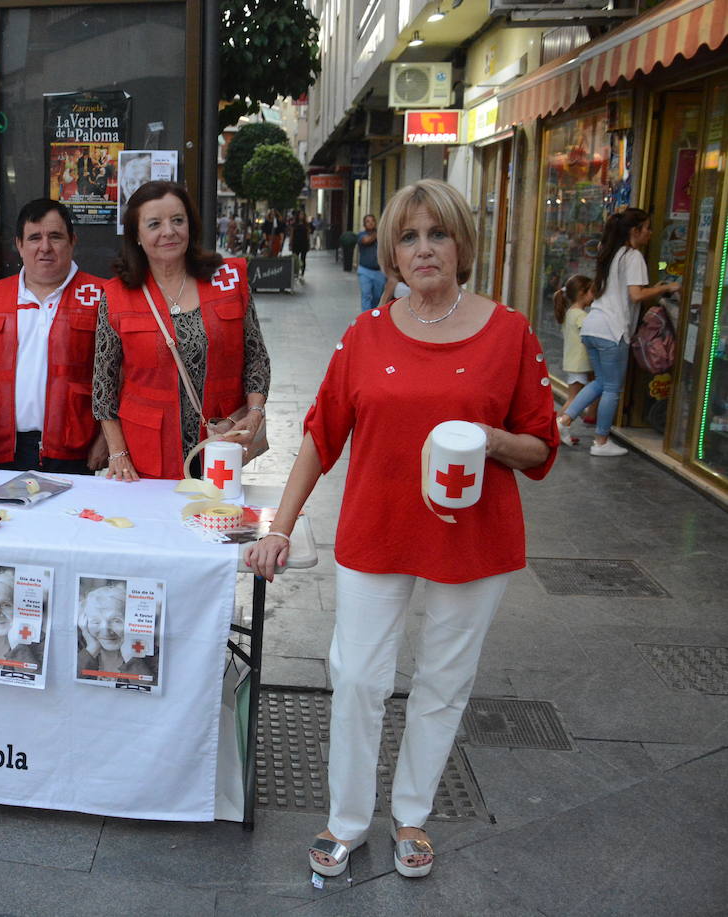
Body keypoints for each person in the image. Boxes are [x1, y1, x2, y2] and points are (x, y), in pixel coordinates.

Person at [244, 179, 558, 881]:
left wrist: (489, 438)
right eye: (409, 237)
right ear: (389, 252)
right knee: (357, 676)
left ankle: (412, 813)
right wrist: (279, 527)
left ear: (462, 245)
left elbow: (540, 444)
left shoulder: (509, 332)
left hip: (472, 538)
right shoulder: (366, 334)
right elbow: (322, 436)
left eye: (438, 234)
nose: (424, 249)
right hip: (377, 528)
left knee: (444, 681)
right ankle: (347, 818)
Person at [95, 180, 270, 481]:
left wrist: (255, 413)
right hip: (147, 452)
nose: (169, 231)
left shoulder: (229, 280)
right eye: (154, 224)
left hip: (221, 442)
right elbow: (103, 384)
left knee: (215, 509)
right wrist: (117, 451)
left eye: (178, 220)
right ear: (136, 235)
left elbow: (256, 358)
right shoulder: (116, 297)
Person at [0, 199, 107, 474]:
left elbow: (121, 373)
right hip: (1, 444)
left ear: (72, 241)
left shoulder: (103, 295)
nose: (45, 247)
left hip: (76, 447)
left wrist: (107, 438)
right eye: (35, 237)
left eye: (55, 236)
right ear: (19, 244)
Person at [555, 208, 680, 456]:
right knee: (612, 388)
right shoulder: (633, 257)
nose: (650, 233)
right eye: (647, 228)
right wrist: (667, 288)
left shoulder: (611, 253)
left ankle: (563, 421)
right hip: (612, 330)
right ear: (635, 230)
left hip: (593, 326)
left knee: (601, 383)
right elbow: (636, 295)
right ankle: (601, 441)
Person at [75, 581, 157, 682]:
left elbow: (151, 689)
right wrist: (91, 649)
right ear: (84, 623)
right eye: (96, 622)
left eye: (116, 621)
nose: (105, 631)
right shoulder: (77, 647)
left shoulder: (150, 652)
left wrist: (130, 658)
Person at [552, 274, 596, 444]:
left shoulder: (570, 313)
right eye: (592, 291)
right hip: (580, 363)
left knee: (575, 397)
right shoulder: (580, 315)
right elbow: (590, 335)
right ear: (582, 293)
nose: (594, 296)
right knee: (574, 399)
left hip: (573, 362)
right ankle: (555, 428)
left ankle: (557, 429)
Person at [356, 214, 385, 312]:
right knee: (366, 295)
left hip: (379, 272)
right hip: (365, 271)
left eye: (372, 221)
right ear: (364, 224)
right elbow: (366, 240)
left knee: (378, 296)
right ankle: (366, 317)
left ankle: (373, 314)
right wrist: (379, 232)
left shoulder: (382, 236)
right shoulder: (361, 235)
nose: (370, 223)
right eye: (368, 221)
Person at [290, 210, 312, 279]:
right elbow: (291, 234)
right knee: (295, 259)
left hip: (304, 243)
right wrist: (290, 243)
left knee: (303, 258)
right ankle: (296, 273)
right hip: (296, 243)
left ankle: (302, 273)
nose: (301, 216)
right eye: (300, 214)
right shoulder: (294, 224)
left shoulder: (306, 224)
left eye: (302, 214)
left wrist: (309, 243)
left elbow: (308, 235)